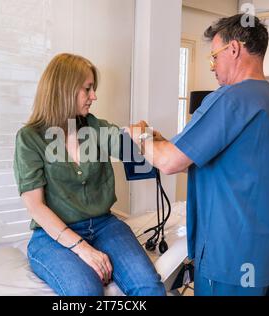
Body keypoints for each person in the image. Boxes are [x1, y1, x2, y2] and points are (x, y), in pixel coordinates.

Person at [129, 14, 269, 296]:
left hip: (229, 257)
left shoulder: (230, 98)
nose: (212, 67)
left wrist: (140, 137)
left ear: (234, 49)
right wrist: (165, 143)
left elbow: (169, 162)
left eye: (214, 57)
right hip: (265, 256)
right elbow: (220, 163)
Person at [13, 53, 166, 296]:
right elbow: (36, 207)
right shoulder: (30, 138)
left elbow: (131, 146)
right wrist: (83, 248)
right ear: (65, 89)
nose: (94, 96)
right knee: (85, 292)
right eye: (88, 89)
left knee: (150, 288)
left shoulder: (95, 127)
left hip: (105, 226)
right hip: (53, 236)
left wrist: (142, 133)